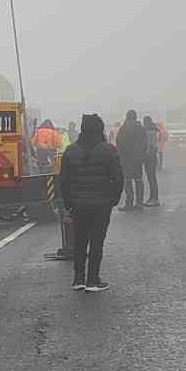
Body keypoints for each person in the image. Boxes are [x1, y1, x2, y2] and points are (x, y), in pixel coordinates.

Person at [57, 113, 123, 291]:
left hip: (78, 205)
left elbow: (63, 180)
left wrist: (68, 203)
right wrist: (113, 200)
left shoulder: (71, 151)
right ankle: (93, 280)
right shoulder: (109, 151)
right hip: (101, 205)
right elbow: (118, 179)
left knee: (79, 241)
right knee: (96, 242)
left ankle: (78, 279)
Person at [116, 110, 146, 210]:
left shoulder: (124, 128)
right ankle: (139, 203)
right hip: (138, 159)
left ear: (127, 117)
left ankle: (129, 203)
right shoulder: (141, 128)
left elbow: (119, 142)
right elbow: (144, 143)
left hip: (126, 159)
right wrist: (142, 155)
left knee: (128, 181)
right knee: (138, 180)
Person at [142, 114, 161, 207]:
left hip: (150, 157)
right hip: (153, 156)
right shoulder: (154, 130)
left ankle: (154, 199)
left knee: (151, 178)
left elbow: (150, 145)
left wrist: (145, 156)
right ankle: (152, 198)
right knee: (151, 178)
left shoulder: (149, 131)